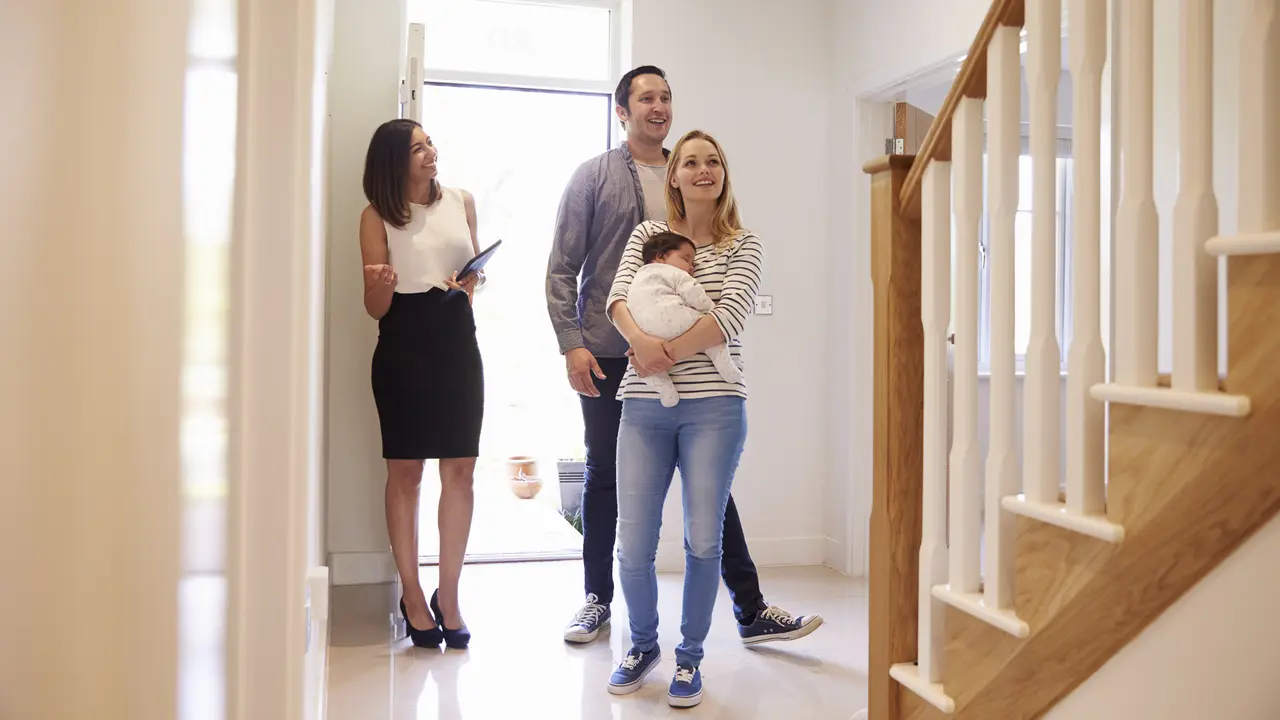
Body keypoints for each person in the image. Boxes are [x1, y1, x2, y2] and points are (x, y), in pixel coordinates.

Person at [545, 65, 823, 647]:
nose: (659, 107)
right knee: (604, 476)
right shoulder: (594, 176)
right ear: (622, 110)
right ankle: (597, 601)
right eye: (646, 98)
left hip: (695, 365)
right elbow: (564, 269)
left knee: (711, 495)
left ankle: (749, 608)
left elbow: (726, 303)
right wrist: (572, 342)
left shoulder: (689, 172)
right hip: (610, 351)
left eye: (666, 97)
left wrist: (669, 348)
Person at [606, 128, 765, 707]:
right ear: (673, 174)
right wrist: (641, 344)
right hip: (644, 407)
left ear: (723, 175)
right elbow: (618, 300)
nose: (703, 170)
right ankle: (642, 645)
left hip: (715, 410)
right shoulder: (648, 236)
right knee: (634, 543)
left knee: (702, 539)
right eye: (691, 161)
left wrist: (660, 353)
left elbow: (728, 317)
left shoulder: (744, 244)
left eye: (713, 162)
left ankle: (689, 658)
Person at [361, 118, 484, 650]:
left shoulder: (461, 201)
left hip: (457, 342)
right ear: (394, 161)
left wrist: (471, 281)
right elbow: (374, 308)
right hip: (403, 346)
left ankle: (448, 596)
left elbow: (475, 275)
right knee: (406, 472)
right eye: (417, 148)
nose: (430, 152)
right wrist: (383, 285)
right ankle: (412, 595)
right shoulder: (375, 216)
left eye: (429, 142)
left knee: (461, 470)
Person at [624, 231, 741, 406]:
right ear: (661, 257)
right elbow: (694, 293)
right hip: (675, 320)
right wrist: (711, 309)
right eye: (686, 259)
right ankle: (724, 365)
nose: (692, 267)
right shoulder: (673, 273)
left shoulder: (636, 278)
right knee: (710, 329)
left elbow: (620, 303)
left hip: (645, 332)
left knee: (647, 368)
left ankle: (666, 390)